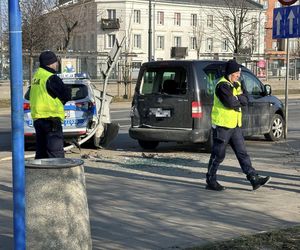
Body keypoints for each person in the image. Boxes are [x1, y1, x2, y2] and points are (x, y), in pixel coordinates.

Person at [206, 59, 271, 191]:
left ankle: (253, 178)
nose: (238, 75)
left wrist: (239, 98)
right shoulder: (222, 86)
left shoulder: (236, 84)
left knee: (242, 153)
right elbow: (231, 103)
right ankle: (210, 180)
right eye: (236, 73)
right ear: (230, 73)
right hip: (223, 126)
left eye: (239, 73)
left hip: (235, 125)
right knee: (218, 154)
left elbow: (246, 100)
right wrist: (238, 98)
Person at [30, 50, 71, 159]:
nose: (57, 64)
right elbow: (66, 95)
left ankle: (41, 175)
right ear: (50, 63)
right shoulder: (51, 78)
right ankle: (56, 176)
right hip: (51, 120)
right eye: (56, 61)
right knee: (55, 153)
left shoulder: (36, 77)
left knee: (41, 154)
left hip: (38, 120)